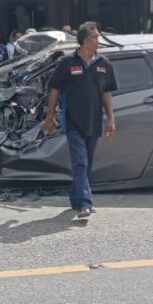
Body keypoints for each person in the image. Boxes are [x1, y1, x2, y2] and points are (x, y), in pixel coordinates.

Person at [43, 21, 117, 219]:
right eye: (95, 37)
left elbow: (107, 93)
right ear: (85, 41)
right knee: (80, 162)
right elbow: (55, 90)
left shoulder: (104, 64)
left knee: (87, 162)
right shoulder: (67, 63)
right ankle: (85, 203)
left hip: (94, 120)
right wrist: (50, 116)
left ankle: (77, 197)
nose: (98, 40)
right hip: (72, 119)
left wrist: (111, 118)